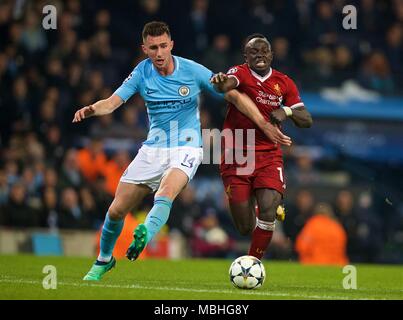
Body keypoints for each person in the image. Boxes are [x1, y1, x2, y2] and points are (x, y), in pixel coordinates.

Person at [73, 22, 291, 281]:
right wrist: (91, 109)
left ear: (171, 45)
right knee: (116, 211)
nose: (159, 53)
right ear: (145, 49)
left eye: (163, 46)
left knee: (166, 192)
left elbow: (232, 96)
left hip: (187, 146)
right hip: (153, 148)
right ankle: (104, 260)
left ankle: (145, 234)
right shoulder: (141, 73)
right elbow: (111, 103)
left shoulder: (192, 70)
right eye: (153, 48)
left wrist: (264, 123)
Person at [211, 33, 312, 260]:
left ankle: (253, 262)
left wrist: (286, 111)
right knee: (245, 227)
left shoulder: (284, 82)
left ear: (272, 55)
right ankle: (256, 210)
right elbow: (226, 84)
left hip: (268, 154)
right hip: (237, 152)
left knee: (268, 211)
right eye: (254, 52)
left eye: (264, 51)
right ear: (245, 57)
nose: (260, 55)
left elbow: (306, 119)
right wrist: (219, 82)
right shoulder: (240, 72)